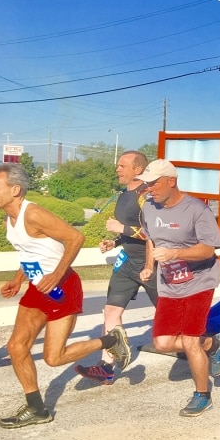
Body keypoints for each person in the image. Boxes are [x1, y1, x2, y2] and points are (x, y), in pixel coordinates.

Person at [0, 163, 131, 428]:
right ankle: (37, 408)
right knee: (16, 347)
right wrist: (18, 279)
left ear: (15, 189)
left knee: (54, 358)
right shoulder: (9, 218)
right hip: (37, 286)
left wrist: (56, 274)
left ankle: (111, 340)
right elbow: (29, 253)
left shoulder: (33, 214)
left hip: (61, 288)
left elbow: (75, 237)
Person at [137, 159, 220, 417]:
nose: (149, 188)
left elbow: (209, 248)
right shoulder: (149, 208)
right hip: (169, 283)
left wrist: (176, 252)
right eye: (146, 183)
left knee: (190, 340)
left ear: (172, 181)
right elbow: (151, 240)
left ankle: (203, 395)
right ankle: (212, 344)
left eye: (154, 182)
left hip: (199, 281)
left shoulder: (196, 209)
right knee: (163, 342)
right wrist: (149, 266)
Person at [75, 150, 158, 385]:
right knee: (111, 311)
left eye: (122, 166)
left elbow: (155, 233)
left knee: (167, 315)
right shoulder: (124, 194)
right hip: (127, 261)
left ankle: (206, 344)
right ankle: (106, 366)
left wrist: (121, 229)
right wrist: (115, 241)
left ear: (138, 170)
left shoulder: (146, 195)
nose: (117, 169)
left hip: (153, 263)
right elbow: (131, 230)